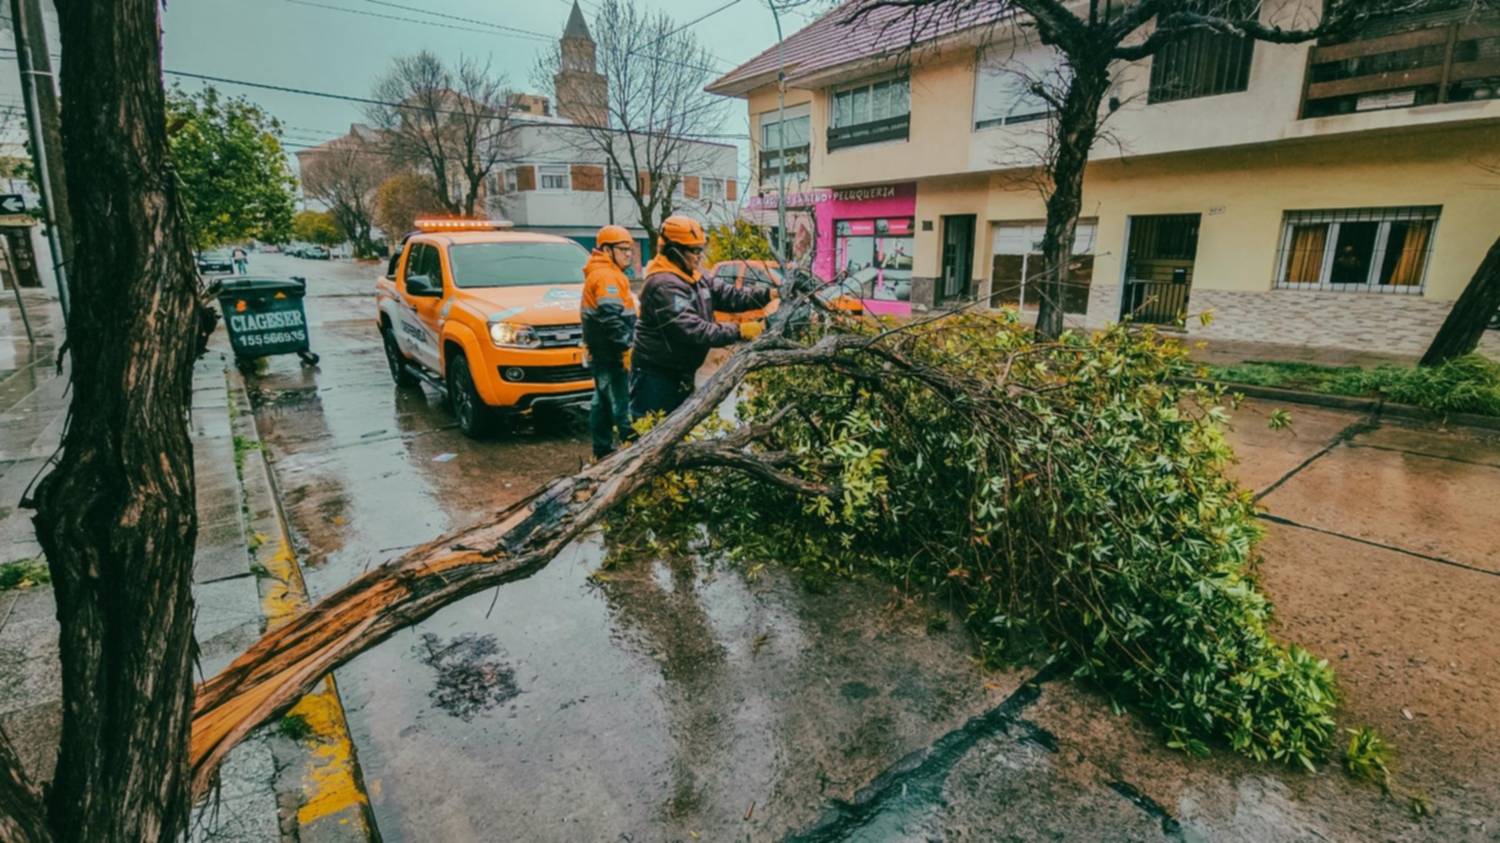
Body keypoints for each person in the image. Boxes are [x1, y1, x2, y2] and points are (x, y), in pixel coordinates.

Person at [631, 215, 772, 418]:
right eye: (694, 250)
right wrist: (739, 330)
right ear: (674, 251)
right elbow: (694, 330)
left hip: (681, 371)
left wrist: (768, 294)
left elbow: (730, 296)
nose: (699, 256)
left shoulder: (696, 277)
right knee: (650, 433)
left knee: (677, 431)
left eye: (700, 249)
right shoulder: (663, 284)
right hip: (656, 376)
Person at [581, 225, 639, 459]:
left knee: (602, 403)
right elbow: (610, 316)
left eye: (630, 250)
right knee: (619, 406)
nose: (629, 254)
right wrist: (626, 346)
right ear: (607, 250)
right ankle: (633, 455)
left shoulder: (604, 273)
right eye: (623, 249)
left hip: (603, 352)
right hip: (610, 354)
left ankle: (602, 449)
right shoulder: (607, 276)